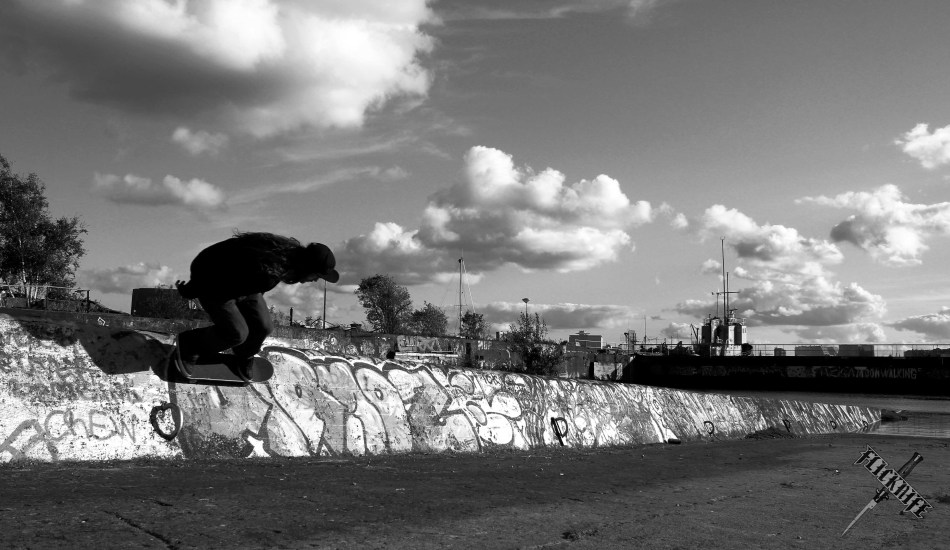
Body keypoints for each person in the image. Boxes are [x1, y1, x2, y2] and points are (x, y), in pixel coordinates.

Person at [171, 231, 339, 380]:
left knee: (264, 326)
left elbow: (251, 288)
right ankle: (190, 343)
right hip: (211, 278)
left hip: (242, 284)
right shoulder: (268, 270)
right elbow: (224, 269)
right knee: (237, 333)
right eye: (316, 275)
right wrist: (192, 289)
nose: (315, 280)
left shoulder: (282, 259)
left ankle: (243, 356)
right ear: (306, 267)